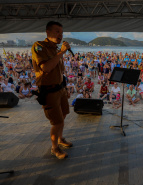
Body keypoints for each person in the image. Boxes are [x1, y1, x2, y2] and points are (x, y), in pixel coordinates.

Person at [31, 21, 72, 160]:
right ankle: (54, 148)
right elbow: (46, 68)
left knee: (64, 114)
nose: (60, 35)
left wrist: (65, 88)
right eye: (57, 31)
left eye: (61, 32)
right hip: (49, 91)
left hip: (60, 89)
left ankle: (60, 139)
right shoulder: (39, 46)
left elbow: (59, 72)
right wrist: (61, 52)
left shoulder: (56, 49)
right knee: (56, 121)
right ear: (47, 32)